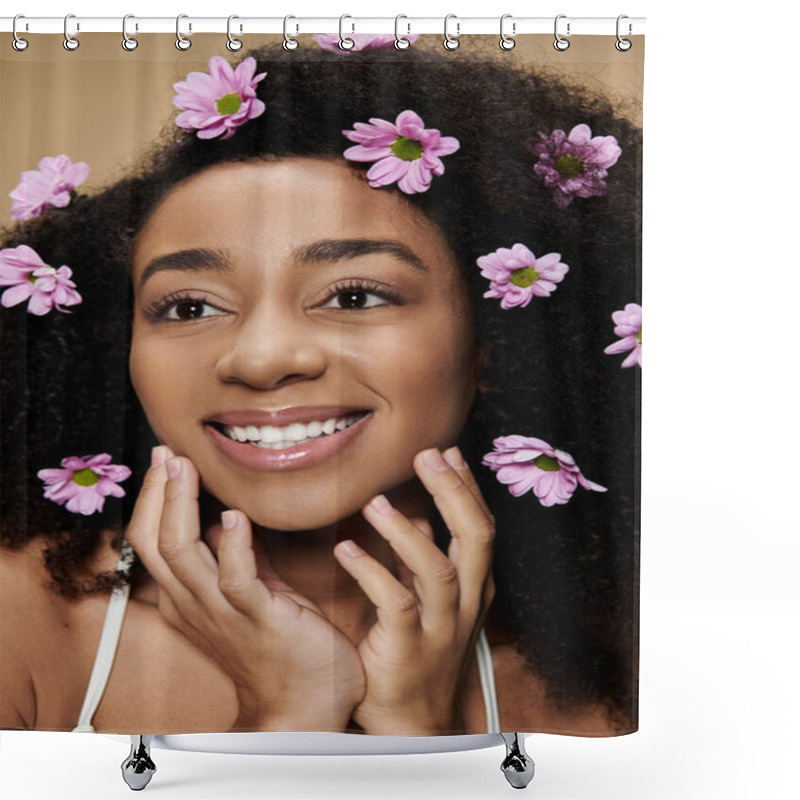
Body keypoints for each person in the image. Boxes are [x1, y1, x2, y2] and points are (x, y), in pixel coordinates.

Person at [0, 39, 641, 736]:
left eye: (356, 297)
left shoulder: (615, 661)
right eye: (188, 307)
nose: (262, 359)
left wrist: (414, 730)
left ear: (496, 344)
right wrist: (286, 714)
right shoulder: (25, 620)